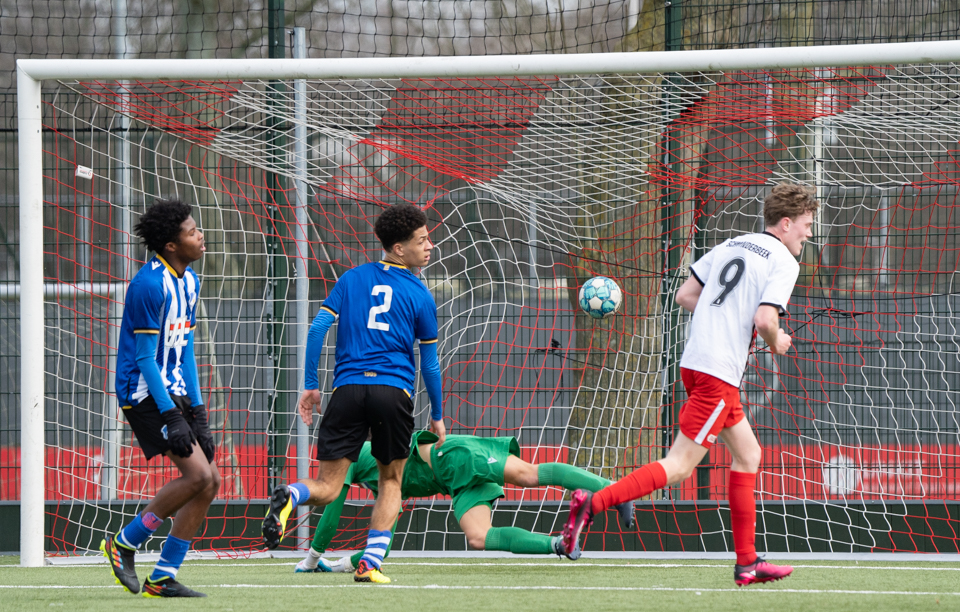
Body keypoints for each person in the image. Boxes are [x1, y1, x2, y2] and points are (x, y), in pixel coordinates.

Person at [562, 182, 818, 586]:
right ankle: (592, 503)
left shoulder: (733, 243)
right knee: (680, 467)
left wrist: (727, 315)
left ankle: (747, 563)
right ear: (786, 224)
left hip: (697, 361)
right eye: (806, 225)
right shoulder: (784, 262)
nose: (808, 233)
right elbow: (767, 320)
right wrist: (777, 340)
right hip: (718, 370)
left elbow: (685, 295)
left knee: (749, 454)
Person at [262, 204, 446, 585]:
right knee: (391, 481)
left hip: (346, 389)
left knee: (328, 488)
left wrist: (311, 385)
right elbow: (430, 365)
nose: (430, 246)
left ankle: (291, 495)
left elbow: (317, 329)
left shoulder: (350, 278)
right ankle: (370, 563)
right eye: (422, 241)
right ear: (398, 249)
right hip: (392, 391)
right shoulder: (420, 294)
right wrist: (438, 415)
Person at [295, 433, 636, 573]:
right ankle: (560, 545)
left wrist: (312, 559)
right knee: (478, 536)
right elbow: (380, 549)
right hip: (455, 484)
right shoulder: (383, 487)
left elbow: (331, 514)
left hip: (452, 459)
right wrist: (337, 565)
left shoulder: (348, 460)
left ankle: (616, 490)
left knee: (530, 475)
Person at [102, 199, 219, 598]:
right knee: (198, 476)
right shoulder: (149, 285)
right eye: (191, 232)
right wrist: (172, 416)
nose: (200, 235)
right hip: (143, 391)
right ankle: (123, 543)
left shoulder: (190, 280)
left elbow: (184, 349)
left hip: (174, 390)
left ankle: (162, 576)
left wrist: (198, 413)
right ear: (171, 244)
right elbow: (144, 360)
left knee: (210, 481)